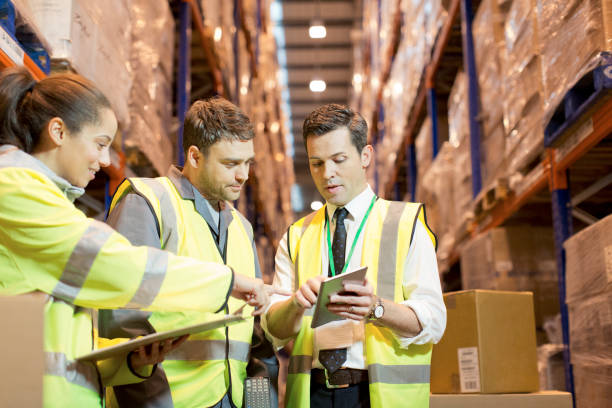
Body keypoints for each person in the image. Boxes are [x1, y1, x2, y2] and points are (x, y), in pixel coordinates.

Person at [0, 67, 271, 408]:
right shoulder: (15, 190)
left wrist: (130, 364)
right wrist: (227, 283)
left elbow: (63, 338)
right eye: (100, 144)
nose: (104, 159)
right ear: (58, 131)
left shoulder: (242, 229)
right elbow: (118, 271)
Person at [99, 97, 286, 407]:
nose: (244, 175)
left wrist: (259, 404)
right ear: (195, 156)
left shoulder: (242, 227)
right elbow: (125, 325)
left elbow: (256, 337)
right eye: (230, 164)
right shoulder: (147, 201)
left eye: (248, 162)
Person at [263, 104, 446, 408]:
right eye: (316, 163)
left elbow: (433, 322)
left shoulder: (406, 224)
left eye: (338, 160)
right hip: (313, 397)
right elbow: (274, 332)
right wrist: (294, 304)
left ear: (365, 156)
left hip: (378, 397)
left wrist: (376, 308)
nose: (327, 173)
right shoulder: (296, 235)